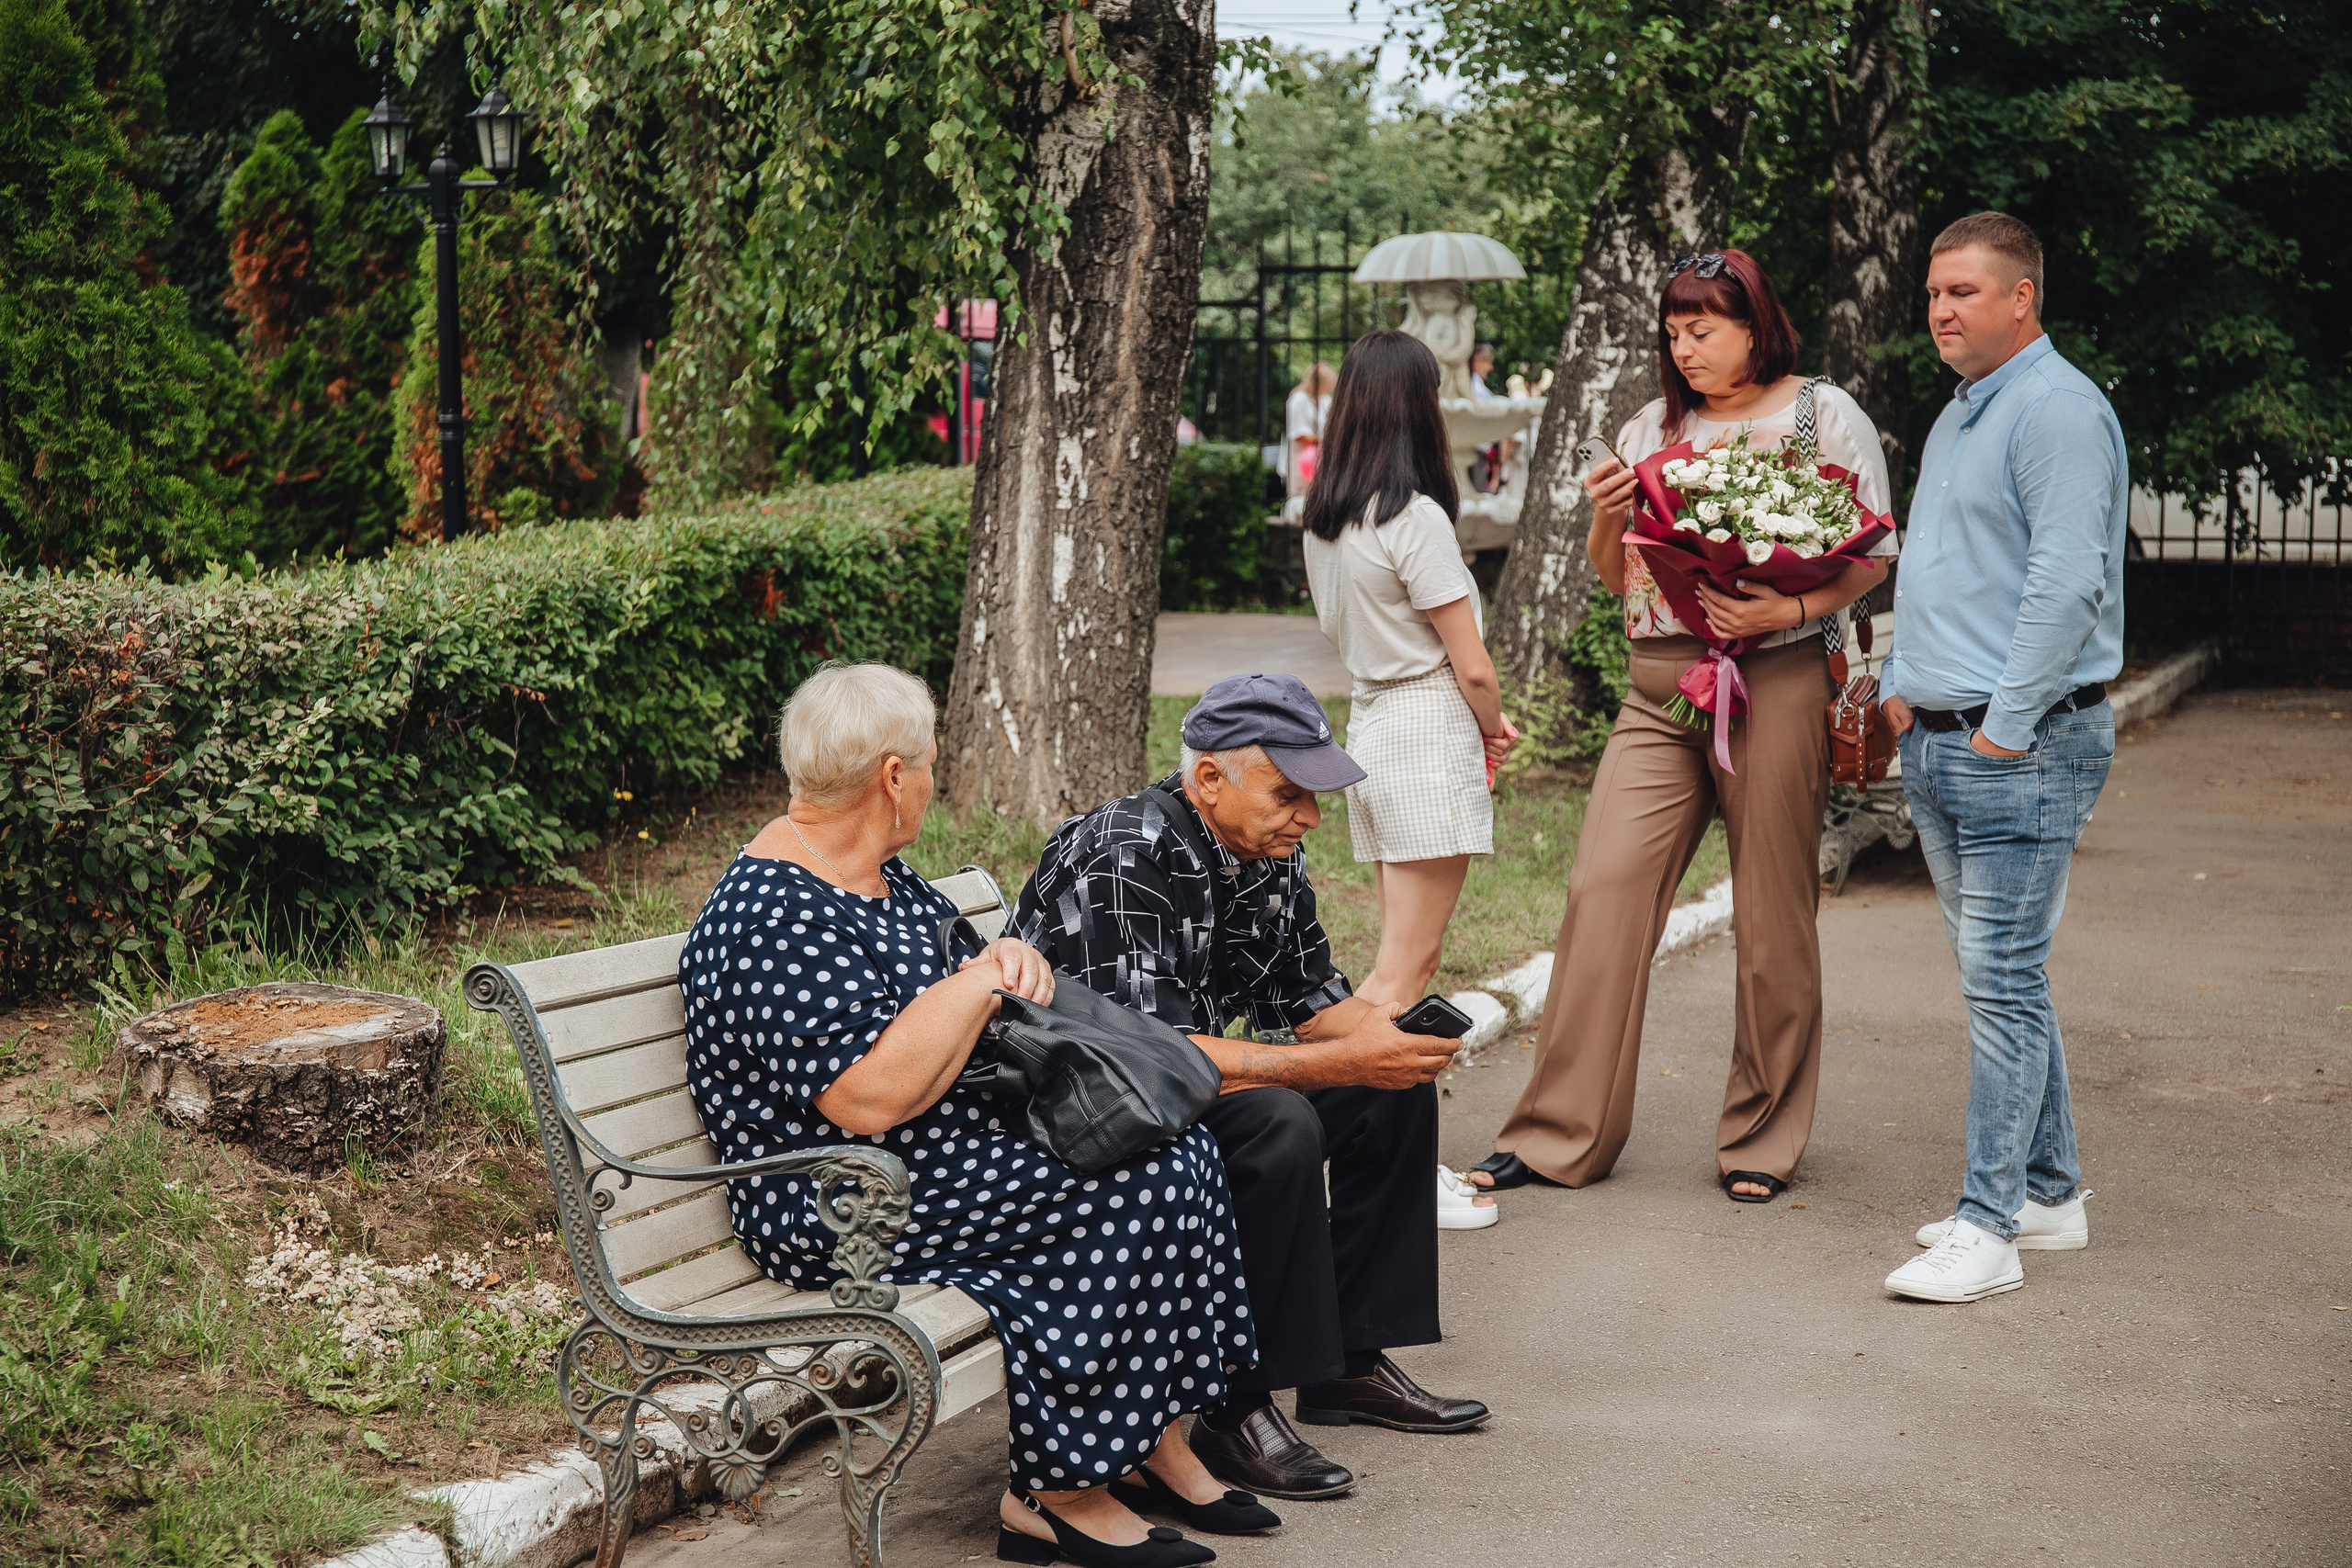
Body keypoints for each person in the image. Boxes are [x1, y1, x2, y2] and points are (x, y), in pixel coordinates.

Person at [679, 662, 1268, 1568]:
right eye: (928, 763)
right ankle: (1055, 1491)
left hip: (936, 1156)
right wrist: (980, 983)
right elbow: (864, 1098)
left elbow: (971, 983)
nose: (931, 779)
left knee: (1175, 1150)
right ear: (892, 776)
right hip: (839, 1199)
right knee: (1132, 1186)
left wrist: (1002, 973)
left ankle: (1149, 1437)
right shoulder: (770, 913)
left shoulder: (880, 877)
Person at [1470, 248, 1895, 1204]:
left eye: (1701, 330)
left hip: (1776, 678)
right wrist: (1604, 517)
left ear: (1754, 326)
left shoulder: (1821, 414)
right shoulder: (1651, 425)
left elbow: (1872, 555)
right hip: (1659, 685)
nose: (1683, 349)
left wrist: (1786, 610)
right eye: (1672, 333)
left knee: (1772, 911)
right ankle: (1557, 1133)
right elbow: (1618, 575)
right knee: (1602, 890)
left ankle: (1762, 1136)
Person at [1013, 672, 1490, 1505]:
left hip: (1165, 1089)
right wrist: (1342, 1060)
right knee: (1278, 1120)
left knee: (1392, 1087)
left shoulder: (1262, 847)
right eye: (1288, 794)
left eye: (1314, 796)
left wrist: (1388, 1036)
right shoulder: (1125, 852)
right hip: (1083, 1115)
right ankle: (1234, 1409)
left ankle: (1346, 1364)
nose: (1309, 817)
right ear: (1209, 778)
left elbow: (1311, 1003)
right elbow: (1149, 1059)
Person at [1878, 212, 2124, 1303]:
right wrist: (1898, 684)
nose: (1940, 310)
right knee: (2000, 981)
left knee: (2002, 982)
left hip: (2017, 745)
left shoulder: (2056, 410)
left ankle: (1989, 1230)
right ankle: (2049, 1196)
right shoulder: (1959, 412)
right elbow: (1939, 565)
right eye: (1933, 293)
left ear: (2021, 297)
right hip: (1941, 740)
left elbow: (2066, 584)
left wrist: (2003, 728)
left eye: (1962, 292)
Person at [1300, 331, 1515, 1229]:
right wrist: (1493, 725)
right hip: (1426, 725)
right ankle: (1377, 1165)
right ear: (1417, 408)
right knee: (1403, 974)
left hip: (1375, 727)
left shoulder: (1327, 520)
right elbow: (1471, 664)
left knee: (1395, 964)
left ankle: (1380, 1157)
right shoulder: (1413, 517)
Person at [1284, 362, 1337, 496]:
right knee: (1302, 496)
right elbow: (1299, 435)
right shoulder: (1298, 400)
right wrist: (1327, 440)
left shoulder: (1326, 400)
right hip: (1301, 463)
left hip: (1321, 461)